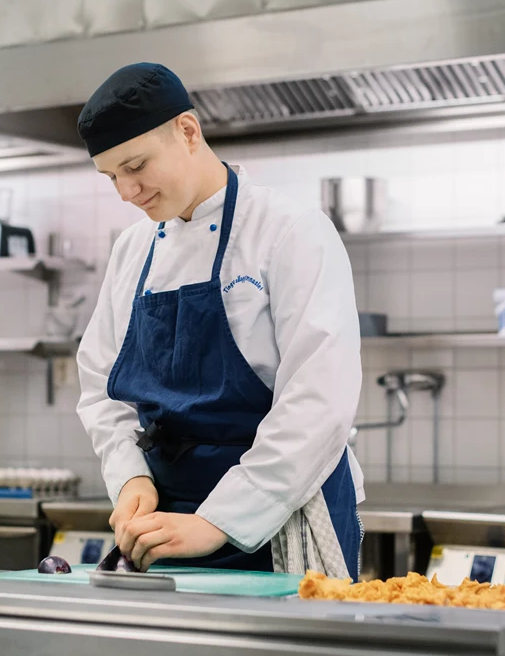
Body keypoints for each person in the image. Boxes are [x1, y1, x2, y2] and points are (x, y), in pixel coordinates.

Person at [75, 63, 363, 577]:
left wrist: (218, 521)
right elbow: (100, 388)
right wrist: (129, 479)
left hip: (279, 512)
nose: (126, 191)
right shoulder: (132, 250)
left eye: (136, 166)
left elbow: (320, 400)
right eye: (111, 176)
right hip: (164, 522)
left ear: (188, 131)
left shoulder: (291, 231)